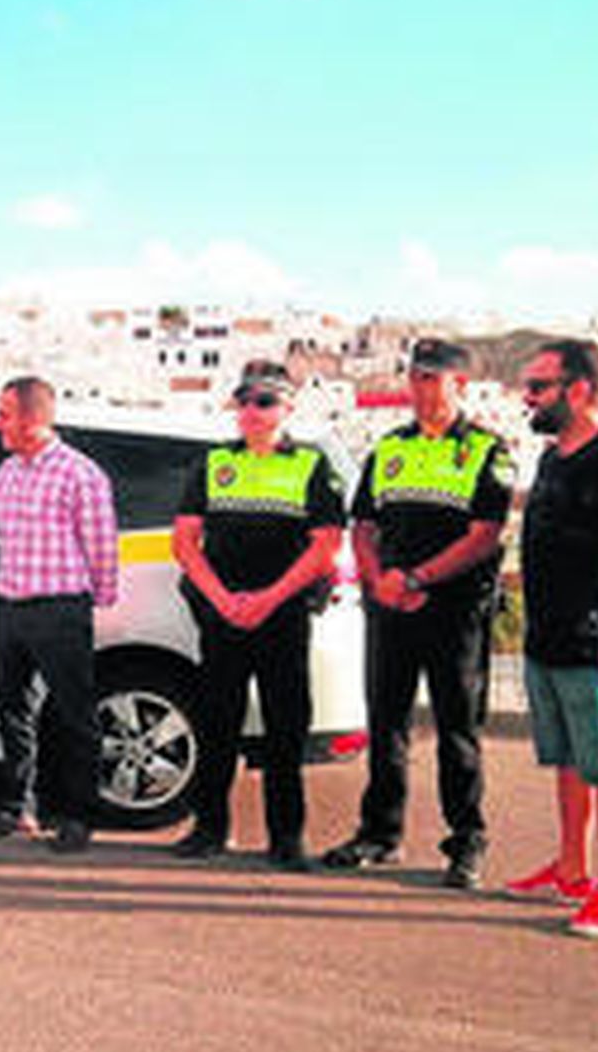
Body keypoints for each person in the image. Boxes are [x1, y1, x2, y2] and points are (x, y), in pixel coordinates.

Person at [323, 337, 512, 889]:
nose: (420, 389)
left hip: (453, 610)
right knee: (386, 723)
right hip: (390, 607)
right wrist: (378, 577)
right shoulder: (389, 448)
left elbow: (485, 535)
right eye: (415, 378)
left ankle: (466, 843)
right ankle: (380, 834)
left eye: (432, 379)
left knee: (458, 730)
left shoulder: (486, 450)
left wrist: (418, 577)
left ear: (460, 385)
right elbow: (364, 526)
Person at [505, 339, 598, 939]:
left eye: (538, 387)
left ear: (578, 390)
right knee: (568, 759)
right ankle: (571, 867)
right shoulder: (553, 457)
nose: (527, 398)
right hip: (548, 639)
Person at [171, 362, 345, 871]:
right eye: (244, 401)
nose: (251, 411)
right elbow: (185, 541)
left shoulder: (311, 465)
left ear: (287, 408)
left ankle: (286, 839)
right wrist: (222, 599)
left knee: (286, 730)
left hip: (283, 615)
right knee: (216, 723)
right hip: (222, 614)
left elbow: (325, 547)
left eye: (264, 402)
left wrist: (268, 599)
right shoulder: (213, 462)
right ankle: (208, 829)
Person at [0, 375, 118, 854]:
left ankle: (79, 816)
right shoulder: (5, 473)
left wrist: (96, 599)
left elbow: (101, 545)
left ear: (33, 419)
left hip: (59, 607)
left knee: (75, 715)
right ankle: (18, 809)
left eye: (4, 415)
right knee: (13, 711)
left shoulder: (81, 474)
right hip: (11, 604)